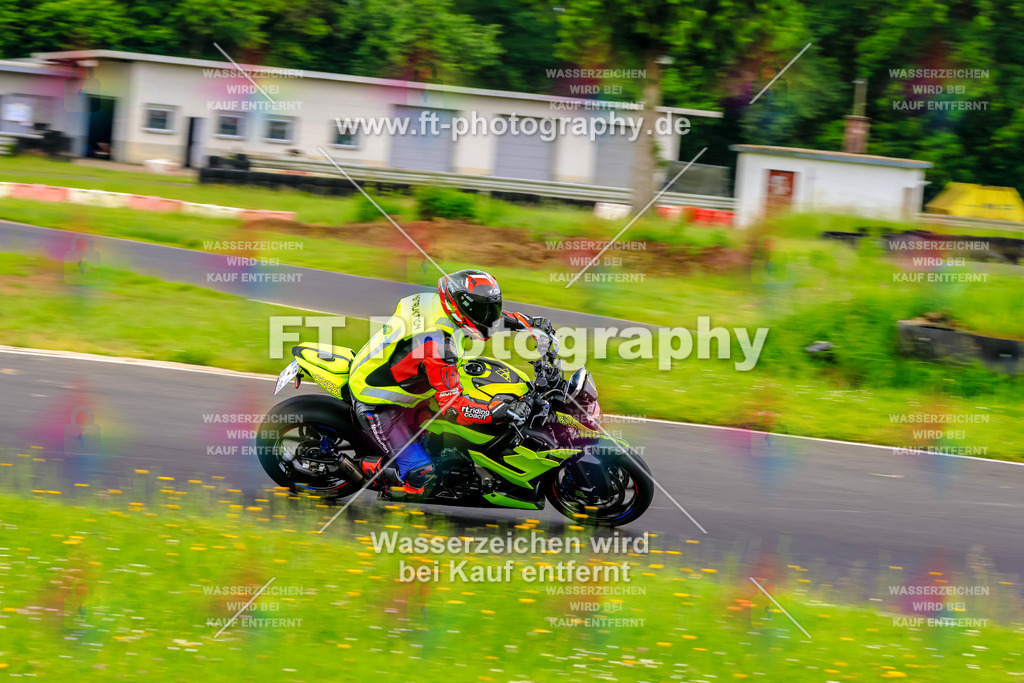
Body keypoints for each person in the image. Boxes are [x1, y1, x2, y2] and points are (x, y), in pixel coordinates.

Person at [348, 269, 547, 494]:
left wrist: (529, 323)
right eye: (483, 309)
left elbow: (484, 318)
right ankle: (364, 470)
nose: (490, 314)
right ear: (460, 307)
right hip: (379, 403)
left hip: (403, 379)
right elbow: (453, 408)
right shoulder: (439, 349)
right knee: (420, 474)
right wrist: (494, 412)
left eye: (492, 307)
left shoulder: (435, 302)